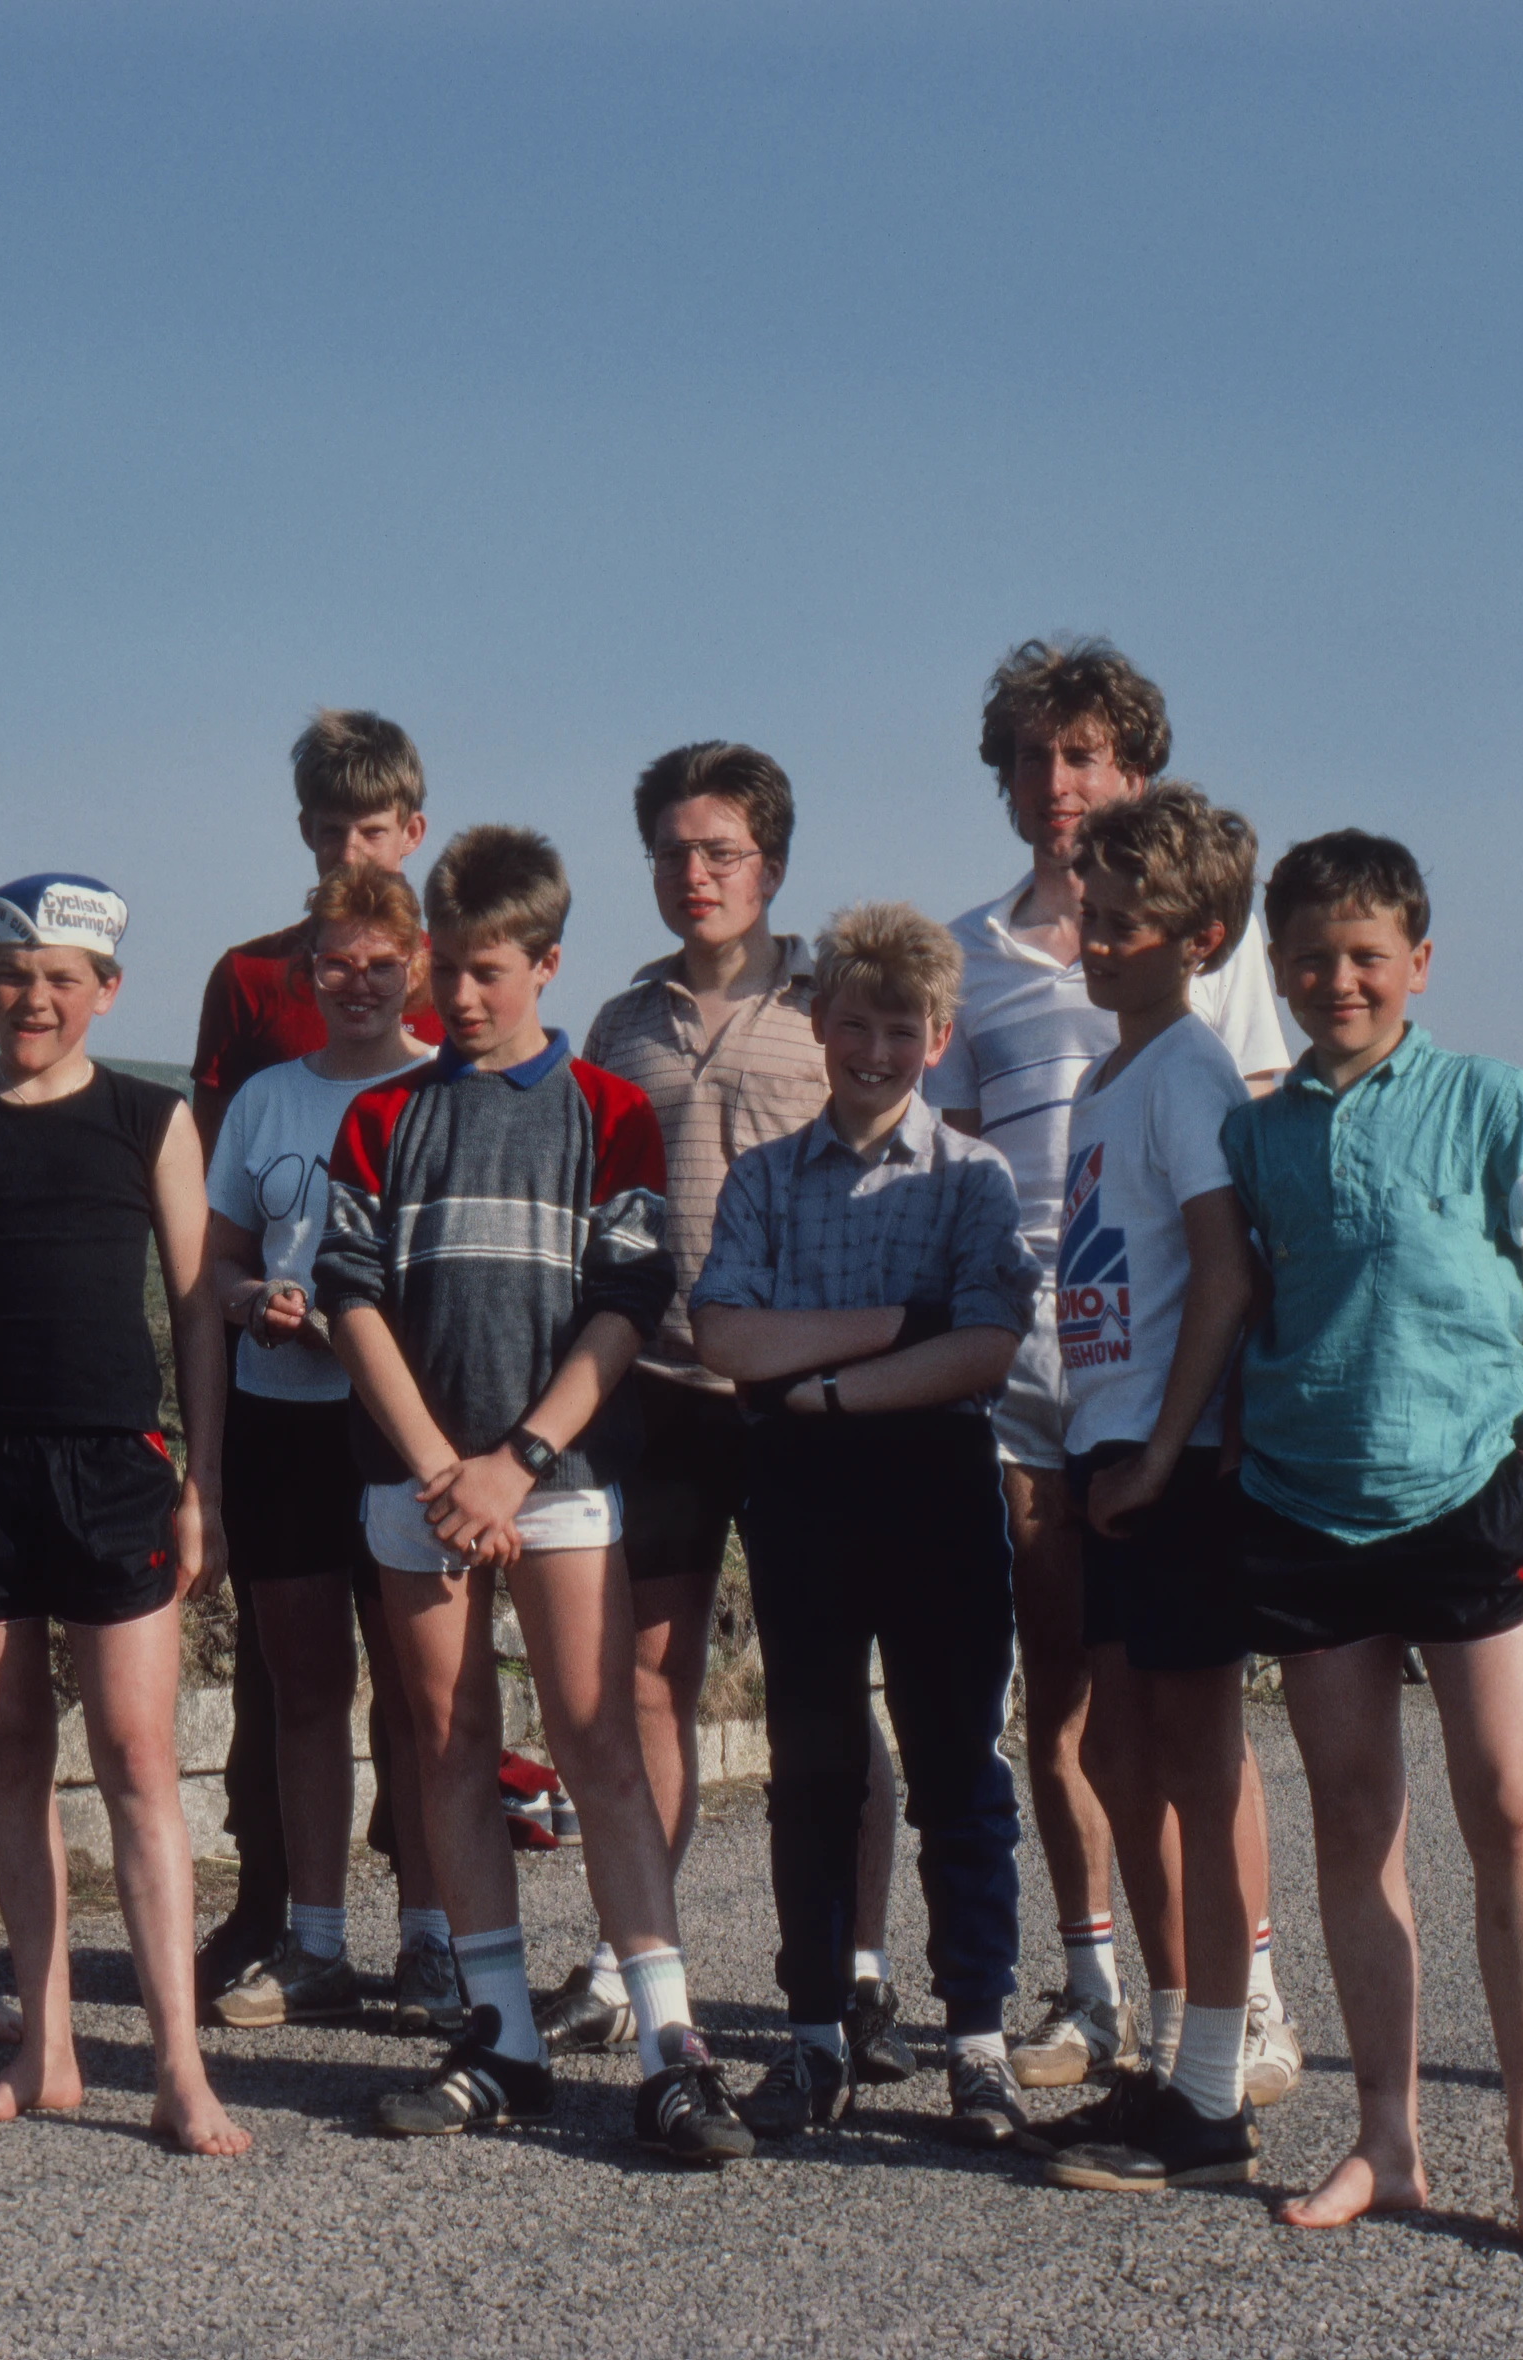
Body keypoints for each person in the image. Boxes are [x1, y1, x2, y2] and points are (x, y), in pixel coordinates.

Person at [318, 825, 751, 2165]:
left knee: (598, 1740)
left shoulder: (609, 1113)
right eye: (445, 968)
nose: (458, 996)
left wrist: (522, 1459)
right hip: (419, 1480)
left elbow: (627, 1302)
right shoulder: (381, 1113)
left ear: (548, 963)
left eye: (488, 971)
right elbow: (349, 1294)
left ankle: (673, 2043)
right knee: (446, 1744)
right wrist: (443, 1465)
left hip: (557, 1478)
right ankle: (498, 2032)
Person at [1218, 829, 1523, 2252]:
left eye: (1367, 957)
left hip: (1469, 1493)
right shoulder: (1253, 1133)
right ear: (1279, 967)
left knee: (1509, 1805)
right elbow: (1245, 1302)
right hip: (1307, 1506)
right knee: (1352, 1821)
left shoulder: (1491, 1098)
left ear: (1417, 964)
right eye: (1311, 958)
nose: (1340, 980)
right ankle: (1385, 2138)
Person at [928, 638, 1294, 2098]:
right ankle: (1107, 1992)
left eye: (1086, 754)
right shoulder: (975, 954)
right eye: (1035, 755)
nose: (1059, 781)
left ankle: (1241, 1999)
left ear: (1134, 770)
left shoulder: (1204, 964)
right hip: (1032, 1370)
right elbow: (957, 1172)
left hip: (1162, 1381)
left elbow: (1245, 1173)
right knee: (1073, 1699)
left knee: (1184, 1710)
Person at [0, 872, 250, 2157]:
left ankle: (179, 2068)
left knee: (140, 1759)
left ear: (105, 992)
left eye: (60, 980)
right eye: (11, 976)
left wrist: (204, 1482)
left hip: (112, 1469)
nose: (34, 998)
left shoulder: (151, 1117)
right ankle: (46, 2047)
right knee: (10, 1755)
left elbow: (198, 1306)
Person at [577, 742, 911, 2084]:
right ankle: (628, 1964)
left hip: (803, 1397)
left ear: (771, 865)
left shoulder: (832, 1008)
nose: (693, 874)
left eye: (718, 851)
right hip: (654, 1387)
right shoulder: (619, 1023)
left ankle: (864, 1964)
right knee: (647, 1685)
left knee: (827, 1689)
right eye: (670, 850)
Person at [685, 902, 1037, 2149]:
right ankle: (817, 2035)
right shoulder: (769, 1178)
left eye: (901, 1030)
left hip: (932, 1479)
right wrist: (903, 1323)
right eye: (854, 1027)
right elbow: (727, 1338)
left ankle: (978, 2041)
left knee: (958, 1767)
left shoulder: (971, 1176)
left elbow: (987, 1346)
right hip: (802, 1500)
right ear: (818, 1028)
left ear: (937, 1036)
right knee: (815, 1770)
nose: (875, 1053)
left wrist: (822, 1380)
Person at [1009, 787, 1283, 2192]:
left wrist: (1175, 1449)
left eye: (1125, 928)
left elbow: (1223, 1276)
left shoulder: (1189, 1069)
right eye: (1091, 921)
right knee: (1118, 1757)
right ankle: (1166, 2061)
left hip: (1176, 1460)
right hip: (1101, 1442)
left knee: (1190, 1760)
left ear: (1202, 939)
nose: (1096, 946)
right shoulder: (1107, 1078)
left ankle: (1217, 2091)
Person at [185, 708, 444, 2004]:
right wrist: (235, 1313)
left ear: (415, 828)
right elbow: (215, 1201)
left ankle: (439, 1925)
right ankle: (285, 1916)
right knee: (290, 1687)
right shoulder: (249, 982)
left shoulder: (445, 988)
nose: (353, 845)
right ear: (303, 834)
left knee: (423, 1684)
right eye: (330, 828)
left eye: (375, 826)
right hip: (279, 1398)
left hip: (405, 1413)